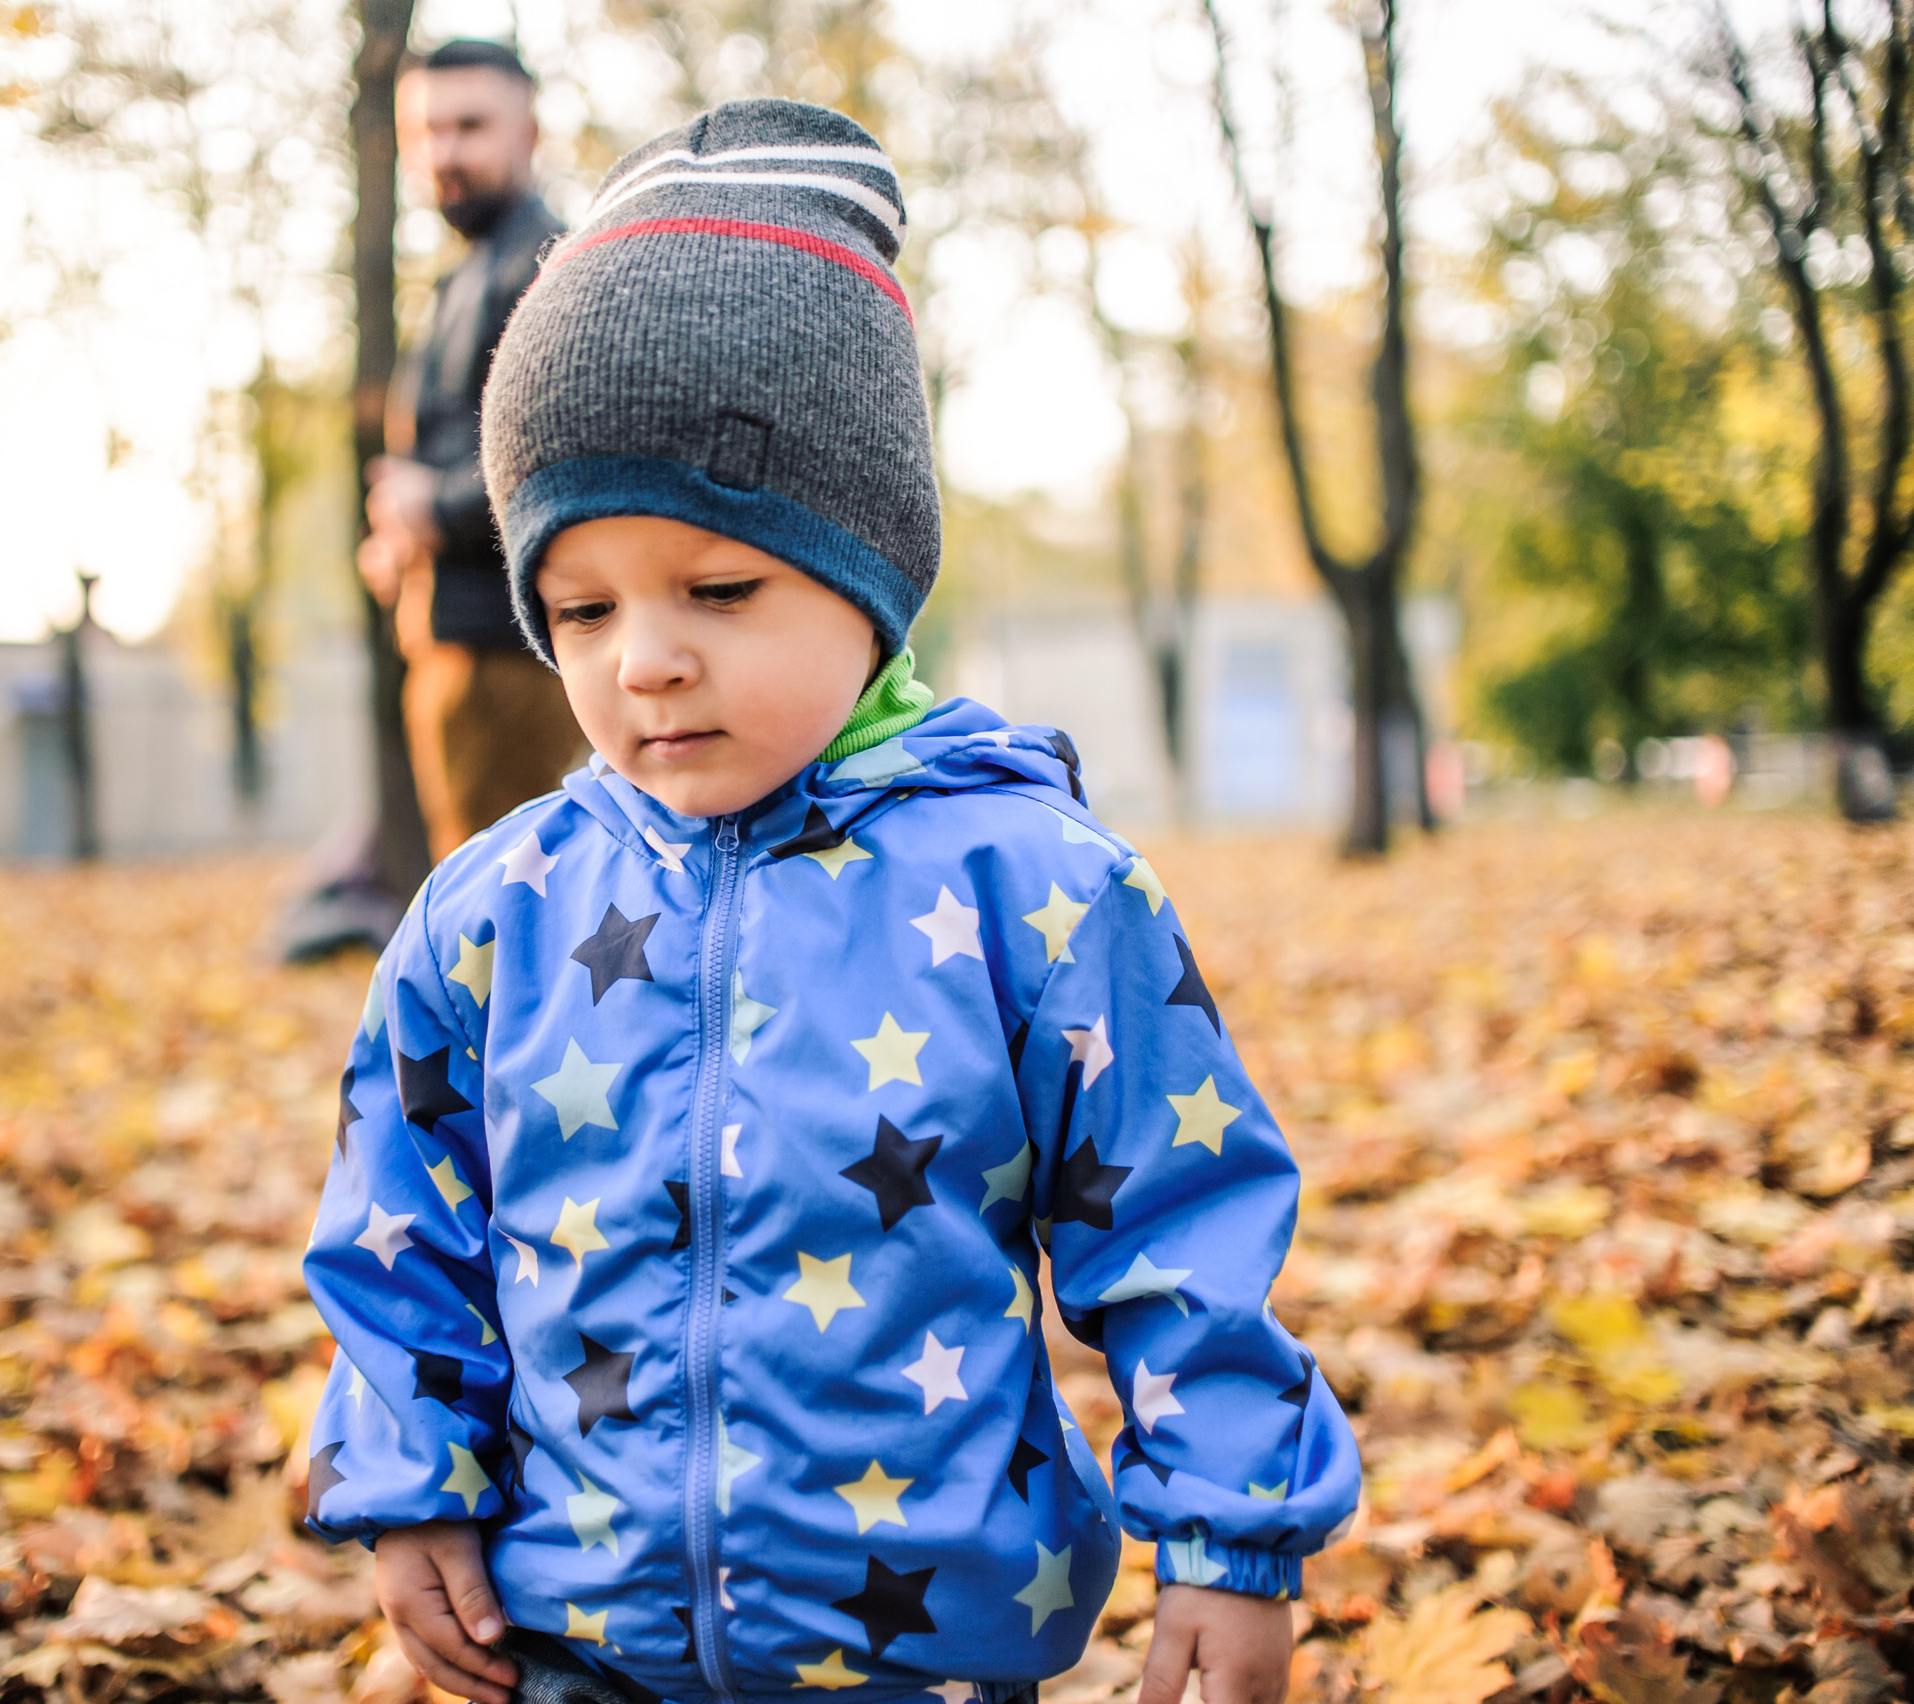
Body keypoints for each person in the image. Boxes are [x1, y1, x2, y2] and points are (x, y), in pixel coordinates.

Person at [301, 100, 1359, 1704]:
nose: (645, 656)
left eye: (721, 589)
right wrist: (410, 1491)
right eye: (579, 609)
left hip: (924, 1650)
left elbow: (1178, 1225)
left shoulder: (1035, 890)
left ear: (868, 573)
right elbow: (406, 1225)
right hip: (577, 1642)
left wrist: (1230, 1539)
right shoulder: (493, 912)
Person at [360, 37, 584, 864]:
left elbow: (564, 455)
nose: (447, 153)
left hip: (511, 653)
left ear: (530, 134)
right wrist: (400, 538)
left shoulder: (547, 267)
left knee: (497, 912)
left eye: (471, 126)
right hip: (459, 641)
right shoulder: (465, 277)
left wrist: (433, 509)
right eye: (430, 132)